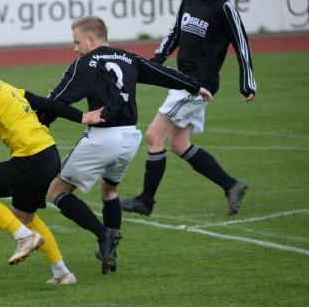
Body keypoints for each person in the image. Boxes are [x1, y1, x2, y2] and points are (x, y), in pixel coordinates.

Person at [36, 16, 213, 274]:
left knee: (55, 191)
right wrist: (195, 86)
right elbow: (163, 74)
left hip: (102, 138)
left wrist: (40, 123)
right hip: (130, 139)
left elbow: (58, 99)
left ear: (91, 39)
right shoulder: (129, 58)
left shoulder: (83, 64)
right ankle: (111, 252)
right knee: (109, 192)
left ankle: (103, 234)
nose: (75, 48)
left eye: (77, 42)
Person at [0, 44, 105, 285]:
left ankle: (23, 237)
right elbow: (40, 101)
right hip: (48, 155)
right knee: (24, 215)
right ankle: (62, 273)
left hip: (32, 160)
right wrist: (81, 116)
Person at [121, 0, 257, 217]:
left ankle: (145, 201)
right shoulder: (188, 2)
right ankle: (231, 185)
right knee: (179, 144)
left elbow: (242, 44)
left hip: (198, 85)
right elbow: (174, 34)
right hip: (182, 81)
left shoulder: (225, 9)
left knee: (153, 136)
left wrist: (247, 83)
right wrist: (156, 61)